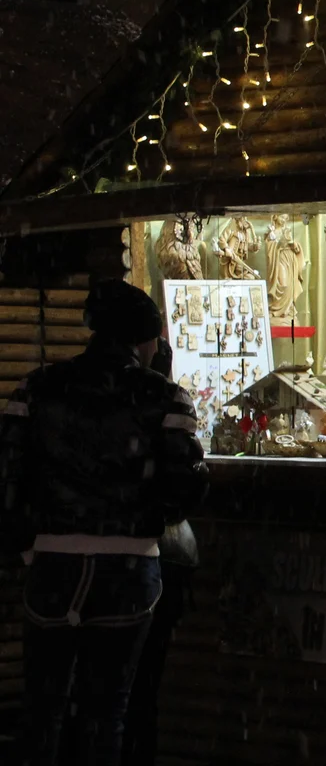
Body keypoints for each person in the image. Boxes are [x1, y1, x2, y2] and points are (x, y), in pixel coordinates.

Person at [0, 280, 209, 765]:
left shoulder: (37, 388)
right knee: (107, 711)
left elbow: (8, 475)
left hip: (51, 566)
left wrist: (30, 546)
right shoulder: (163, 396)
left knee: (43, 709)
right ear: (145, 340)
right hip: (128, 568)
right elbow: (186, 486)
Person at [119, 340, 197, 766]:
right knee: (140, 687)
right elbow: (186, 485)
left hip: (66, 565)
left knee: (80, 695)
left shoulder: (51, 386)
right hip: (149, 558)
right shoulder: (164, 400)